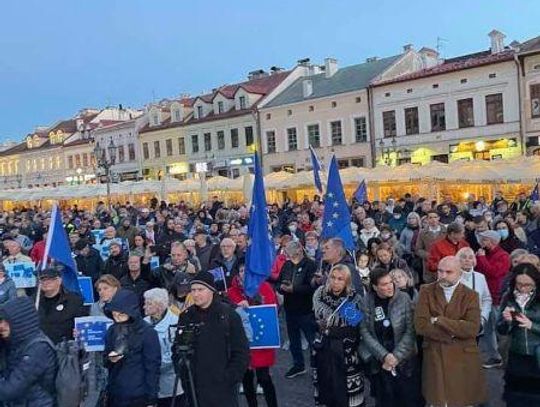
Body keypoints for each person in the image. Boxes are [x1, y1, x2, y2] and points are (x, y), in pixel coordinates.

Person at [414, 256, 487, 407]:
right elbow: (421, 325)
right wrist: (455, 330)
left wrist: (439, 321)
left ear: (460, 274)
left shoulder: (471, 295)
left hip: (463, 358)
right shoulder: (426, 291)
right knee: (438, 401)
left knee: (462, 401)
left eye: (448, 272)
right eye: (440, 271)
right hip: (435, 355)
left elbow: (472, 328)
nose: (443, 275)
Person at [176, 271, 249, 407]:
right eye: (193, 290)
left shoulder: (229, 316)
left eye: (200, 289)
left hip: (223, 390)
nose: (196, 294)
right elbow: (178, 348)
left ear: (211, 290)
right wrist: (184, 376)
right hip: (194, 387)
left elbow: (241, 352)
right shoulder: (186, 316)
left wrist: (229, 378)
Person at [359, 268, 423, 407]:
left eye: (390, 282)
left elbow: (411, 330)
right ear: (375, 287)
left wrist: (396, 356)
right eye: (384, 284)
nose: (389, 286)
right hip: (380, 361)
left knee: (409, 400)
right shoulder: (366, 302)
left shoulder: (404, 298)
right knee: (386, 400)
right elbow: (365, 332)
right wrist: (384, 356)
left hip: (405, 361)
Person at [312, 264, 365, 407]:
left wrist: (331, 331)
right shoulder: (320, 294)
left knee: (345, 395)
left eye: (340, 279)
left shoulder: (351, 299)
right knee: (325, 390)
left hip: (345, 353)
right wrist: (318, 325)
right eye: (333, 278)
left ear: (347, 281)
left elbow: (355, 329)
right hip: (323, 350)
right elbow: (312, 319)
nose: (336, 282)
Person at [228, 266, 278, 407]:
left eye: (248, 271)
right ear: (238, 273)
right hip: (243, 343)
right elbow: (227, 312)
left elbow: (271, 311)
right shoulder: (231, 291)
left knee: (264, 378)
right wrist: (236, 306)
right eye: (242, 270)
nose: (245, 274)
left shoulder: (265, 287)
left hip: (261, 341)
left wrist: (256, 301)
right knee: (246, 379)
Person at [104, 288, 161, 407]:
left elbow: (152, 367)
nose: (117, 318)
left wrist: (152, 398)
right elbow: (105, 358)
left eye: (121, 314)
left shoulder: (148, 333)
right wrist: (110, 359)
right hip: (116, 391)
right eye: (114, 314)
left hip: (138, 394)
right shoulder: (112, 330)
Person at [0, 297, 58, 405]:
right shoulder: (16, 342)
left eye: (6, 322)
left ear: (19, 321)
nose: (1, 326)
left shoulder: (38, 348)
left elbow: (10, 389)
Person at [497, 263, 540, 406]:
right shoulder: (508, 297)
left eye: (528, 285)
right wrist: (507, 321)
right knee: (515, 399)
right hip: (517, 355)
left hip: (537, 356)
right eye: (519, 284)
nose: (523, 288)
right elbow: (500, 330)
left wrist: (531, 325)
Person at [277, 240, 318, 378]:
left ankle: (317, 366)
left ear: (299, 250)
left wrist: (294, 289)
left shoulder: (310, 264)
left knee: (312, 340)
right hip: (289, 309)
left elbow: (312, 287)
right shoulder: (287, 265)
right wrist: (281, 288)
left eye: (289, 250)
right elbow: (279, 282)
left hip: (306, 309)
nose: (287, 253)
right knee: (294, 340)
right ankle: (298, 365)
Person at [143, 288, 185, 407]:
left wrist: (152, 367)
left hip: (170, 385)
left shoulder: (175, 322)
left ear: (160, 306)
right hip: (148, 384)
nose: (144, 307)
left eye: (149, 303)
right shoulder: (143, 323)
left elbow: (173, 355)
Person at [476, 229, 511, 368]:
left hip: (497, 297)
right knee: (488, 329)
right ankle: (494, 356)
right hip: (485, 296)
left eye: (484, 240)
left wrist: (482, 258)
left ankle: (504, 356)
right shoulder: (483, 253)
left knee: (499, 329)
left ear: (492, 241)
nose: (481, 243)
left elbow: (493, 272)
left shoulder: (503, 256)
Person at [37, 266, 87, 344]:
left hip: (64, 347)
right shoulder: (34, 301)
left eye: (50, 280)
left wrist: (79, 331)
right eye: (43, 280)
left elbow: (82, 323)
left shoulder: (74, 301)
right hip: (41, 347)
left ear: (59, 281)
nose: (45, 283)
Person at [456, 247, 492, 334]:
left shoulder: (480, 277)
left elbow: (486, 299)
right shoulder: (451, 277)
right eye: (464, 257)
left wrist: (483, 318)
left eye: (470, 257)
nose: (467, 260)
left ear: (474, 260)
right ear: (458, 259)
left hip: (476, 324)